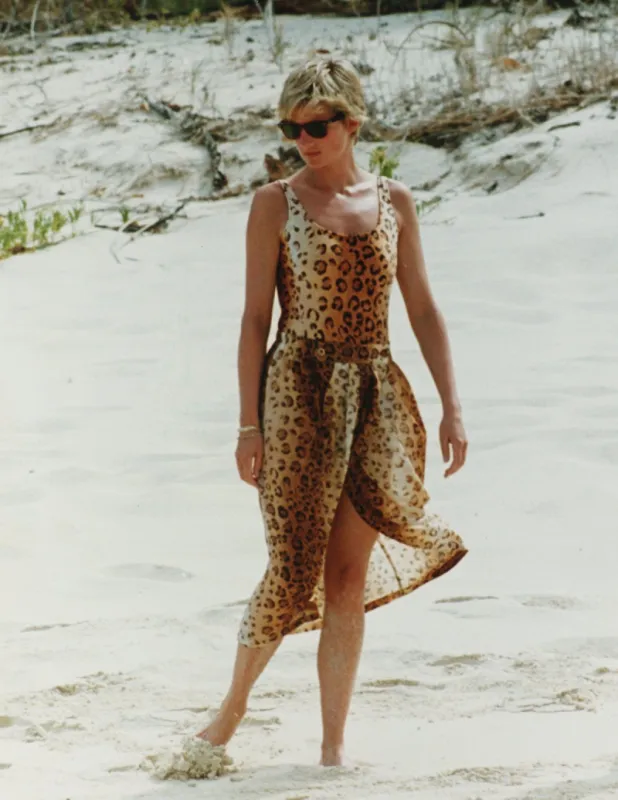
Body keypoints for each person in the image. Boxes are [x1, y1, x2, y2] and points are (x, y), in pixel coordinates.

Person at [197, 57, 468, 767]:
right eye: (291, 128)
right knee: (291, 569)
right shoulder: (272, 204)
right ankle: (230, 711)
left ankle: (332, 746)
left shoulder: (395, 201)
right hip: (298, 394)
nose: (302, 139)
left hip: (375, 392)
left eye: (316, 126)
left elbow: (424, 308)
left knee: (346, 576)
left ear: (351, 122)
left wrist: (452, 406)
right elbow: (256, 319)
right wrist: (247, 424)